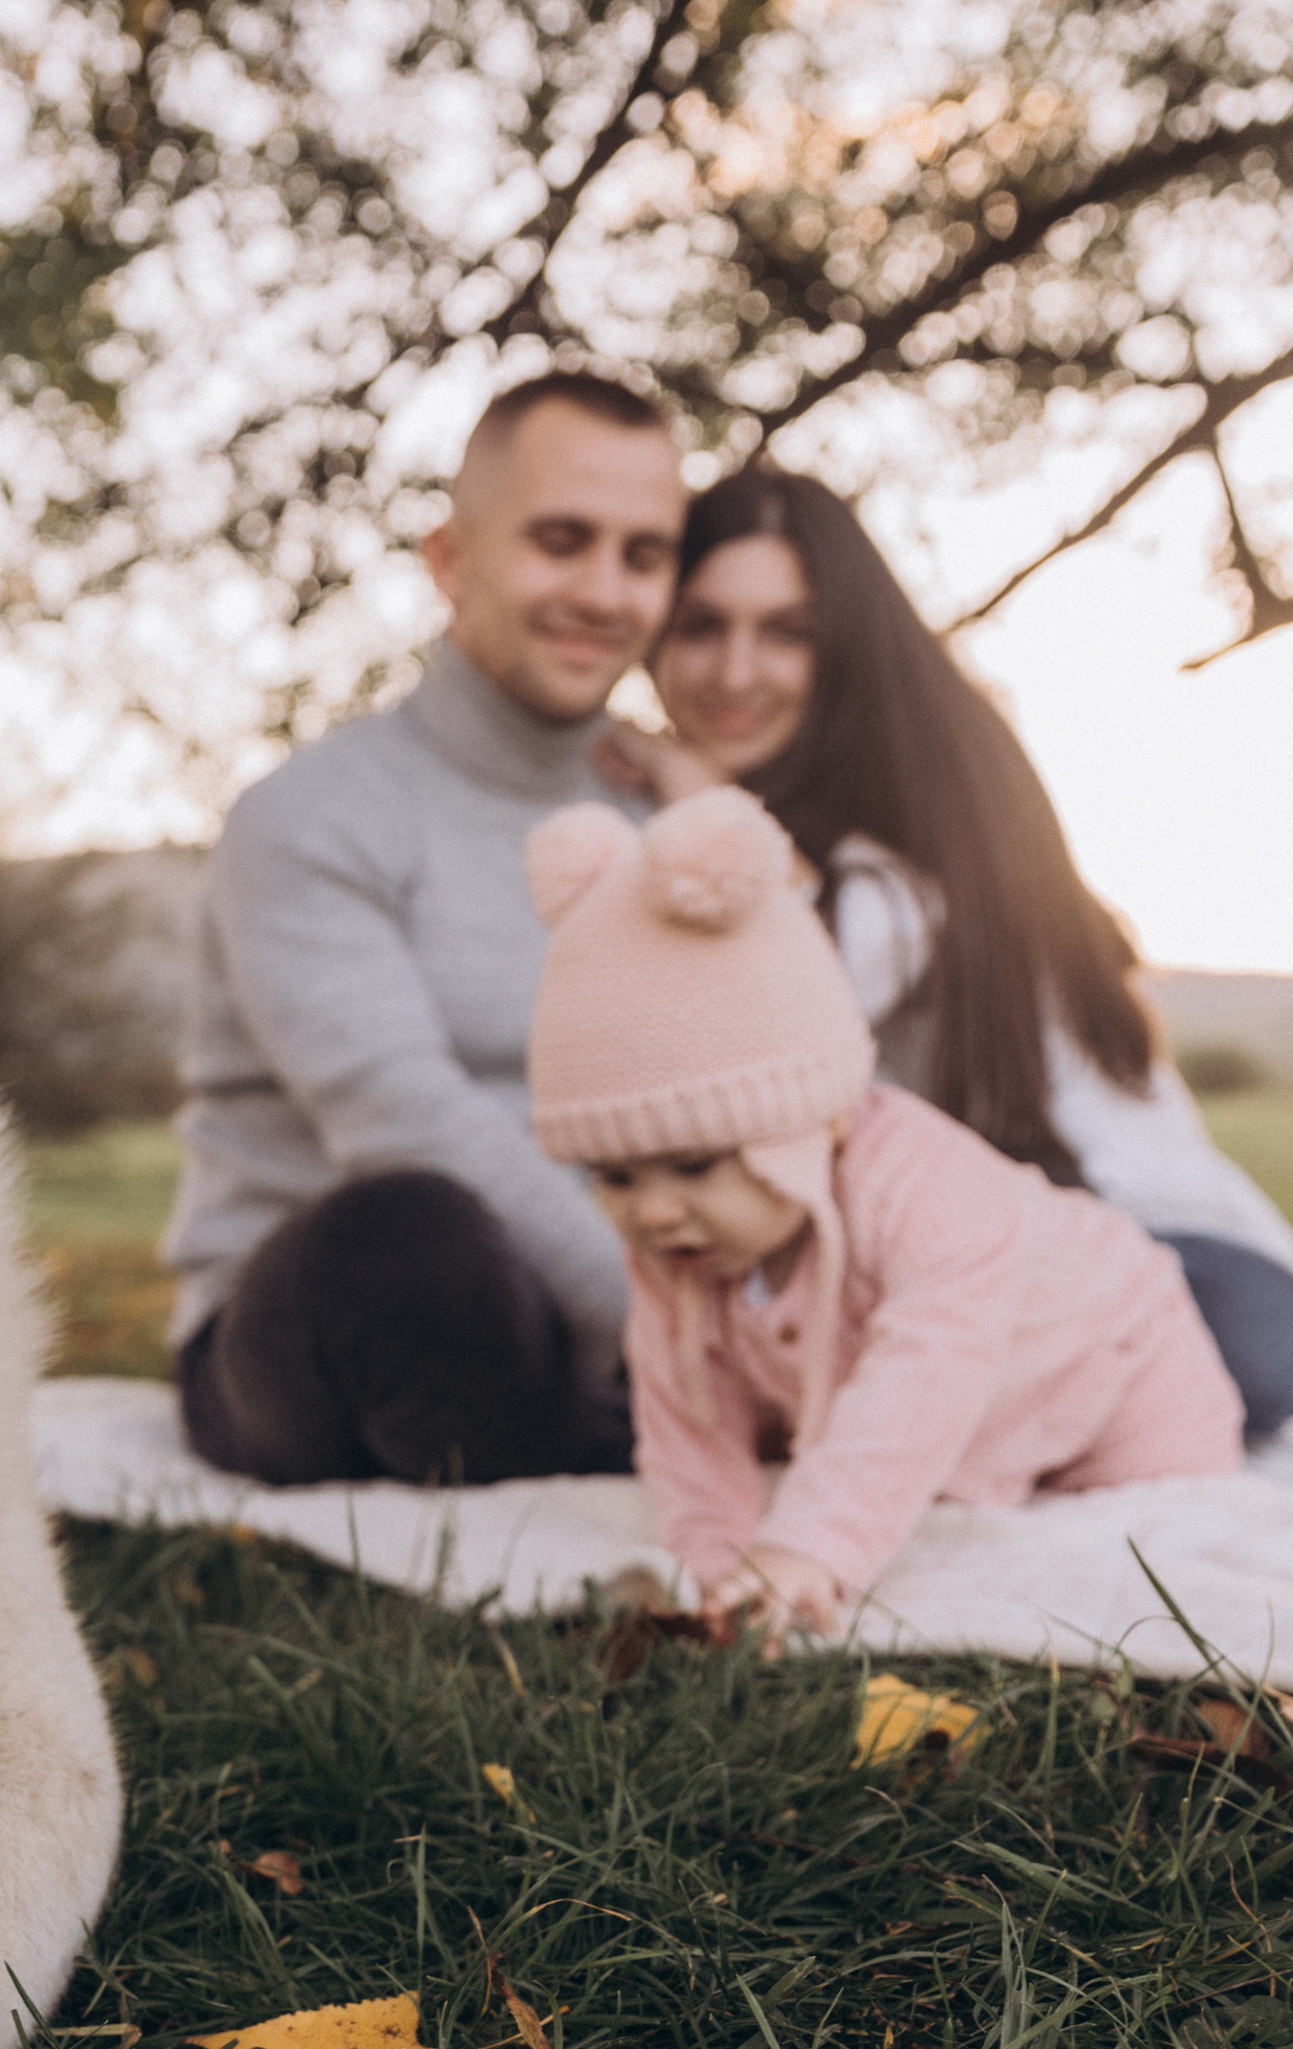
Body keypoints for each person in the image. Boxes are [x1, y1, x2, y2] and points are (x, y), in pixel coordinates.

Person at [600, 466, 1293, 1443]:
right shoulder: (812, 817)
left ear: (843, 649)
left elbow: (772, 1027)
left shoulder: (882, 860)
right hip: (1005, 1258)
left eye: (787, 632)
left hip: (1157, 1247)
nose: (734, 670)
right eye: (701, 626)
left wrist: (689, 791)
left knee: (1236, 1348)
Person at [523, 786, 1245, 1637]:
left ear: (822, 1119)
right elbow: (689, 1421)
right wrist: (716, 1568)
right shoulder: (682, 1249)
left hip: (1122, 1365)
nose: (650, 1211)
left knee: (1166, 1557)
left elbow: (922, 1379)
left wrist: (809, 1546)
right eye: (613, 1176)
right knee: (970, 1534)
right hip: (973, 1431)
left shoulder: (932, 1193)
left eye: (694, 1165)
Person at [164, 373, 685, 1485]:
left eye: (644, 556)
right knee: (408, 1240)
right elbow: (400, 1116)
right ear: (451, 559)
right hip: (322, 1323)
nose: (604, 591)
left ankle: (615, 1428)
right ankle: (644, 1422)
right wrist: (683, 1336)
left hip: (601, 1317)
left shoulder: (668, 816)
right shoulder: (310, 815)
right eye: (560, 541)